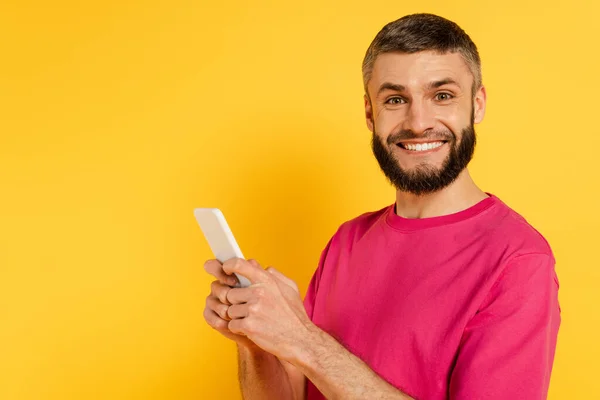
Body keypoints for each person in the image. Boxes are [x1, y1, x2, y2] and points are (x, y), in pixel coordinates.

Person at [203, 13, 561, 400]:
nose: (419, 122)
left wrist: (302, 340)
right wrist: (256, 342)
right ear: (370, 114)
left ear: (476, 105)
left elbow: (310, 351)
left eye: (442, 95)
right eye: (395, 99)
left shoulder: (519, 261)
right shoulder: (347, 240)